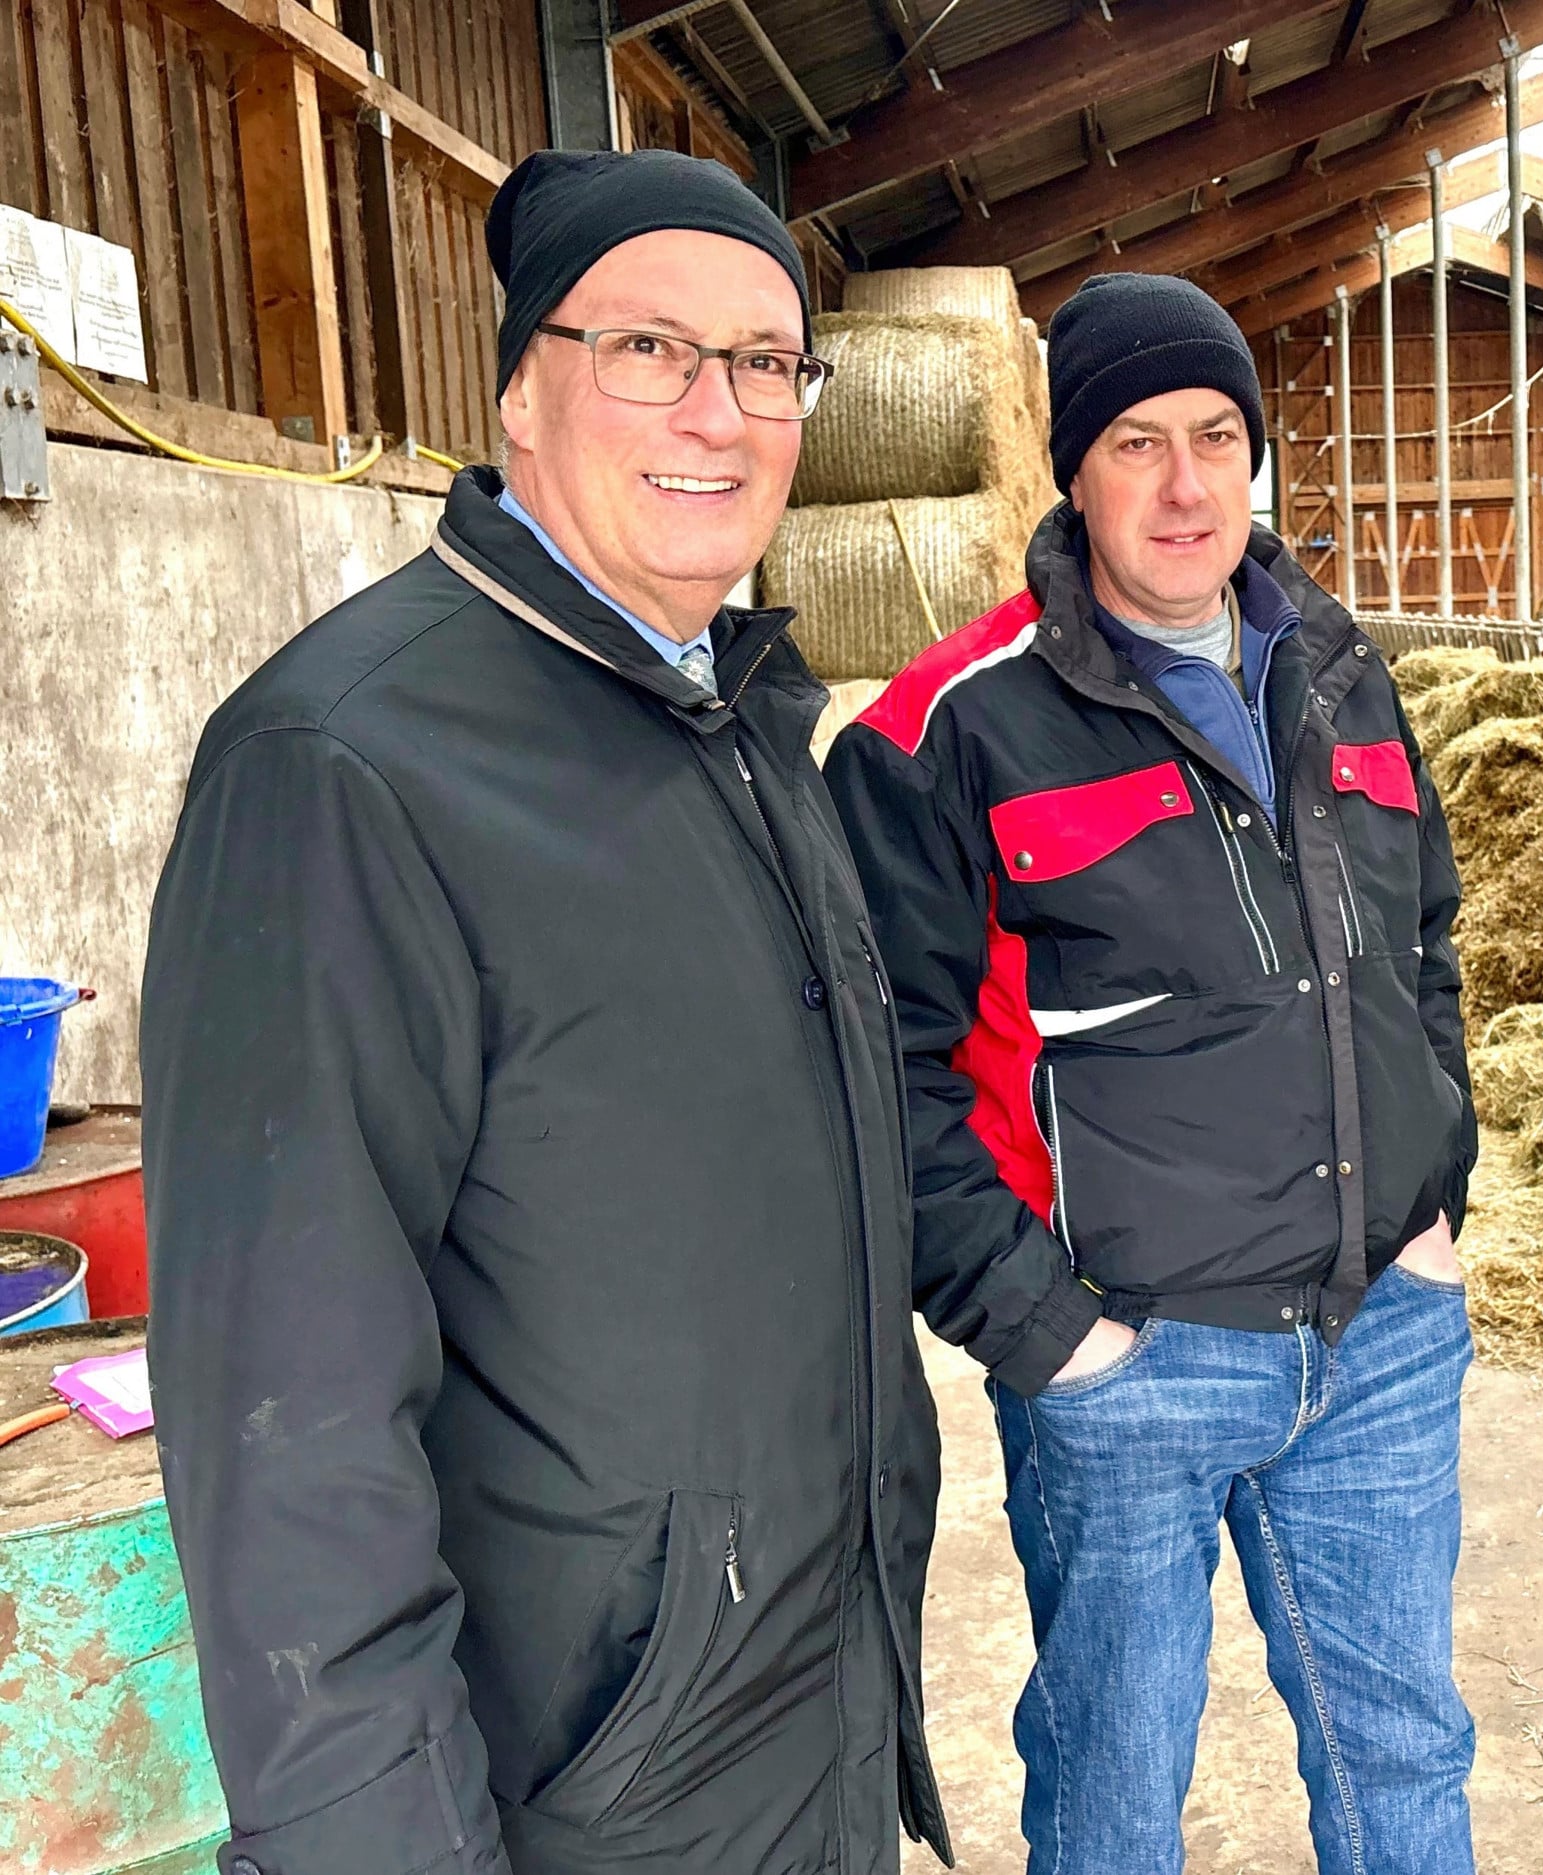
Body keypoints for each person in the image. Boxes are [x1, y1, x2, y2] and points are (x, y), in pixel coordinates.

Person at [143, 150, 948, 1875]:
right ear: (521, 389)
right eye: (649, 348)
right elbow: (291, 1440)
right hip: (577, 1798)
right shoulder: (345, 767)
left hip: (795, 1739)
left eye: (766, 362)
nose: (719, 413)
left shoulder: (745, 730)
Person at [825, 272, 1479, 1875]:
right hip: (1135, 1359)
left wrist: (1435, 1199)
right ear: (1072, 471)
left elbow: (1425, 945)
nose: (1187, 487)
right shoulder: (946, 731)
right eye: (1137, 442)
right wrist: (1046, 1332)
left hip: (1381, 1335)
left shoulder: (1345, 671)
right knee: (1116, 1795)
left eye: (1217, 438)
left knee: (1405, 1758)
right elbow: (884, 1076)